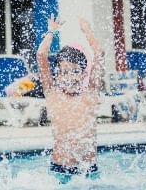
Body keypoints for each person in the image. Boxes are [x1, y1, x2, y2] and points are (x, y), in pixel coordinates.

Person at [37, 16, 104, 184]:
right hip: (60, 169)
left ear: (83, 73)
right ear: (57, 74)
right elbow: (41, 55)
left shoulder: (90, 92)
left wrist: (87, 31)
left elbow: (99, 53)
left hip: (88, 171)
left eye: (75, 71)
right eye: (64, 72)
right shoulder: (53, 93)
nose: (69, 77)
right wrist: (51, 31)